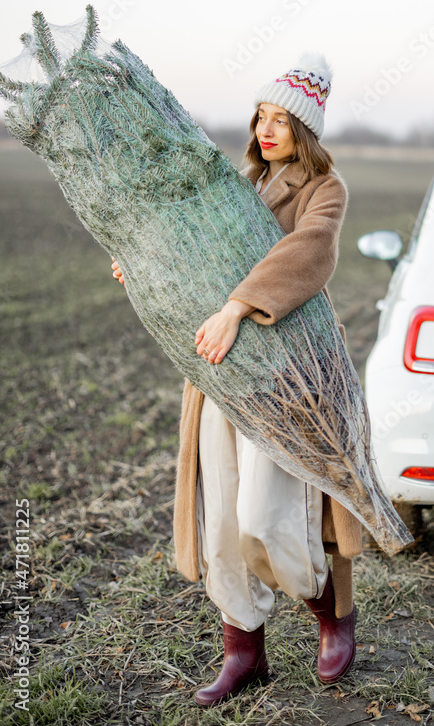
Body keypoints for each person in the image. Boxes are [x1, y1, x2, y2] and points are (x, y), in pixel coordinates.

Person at [111, 57, 362, 708]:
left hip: (283, 375)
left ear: (305, 128)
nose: (267, 127)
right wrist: (140, 266)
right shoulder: (240, 181)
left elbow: (306, 253)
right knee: (222, 517)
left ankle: (328, 614)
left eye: (283, 118)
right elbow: (190, 243)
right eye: (261, 114)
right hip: (220, 371)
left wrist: (235, 307)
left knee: (266, 516)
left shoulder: (323, 187)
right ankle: (242, 652)